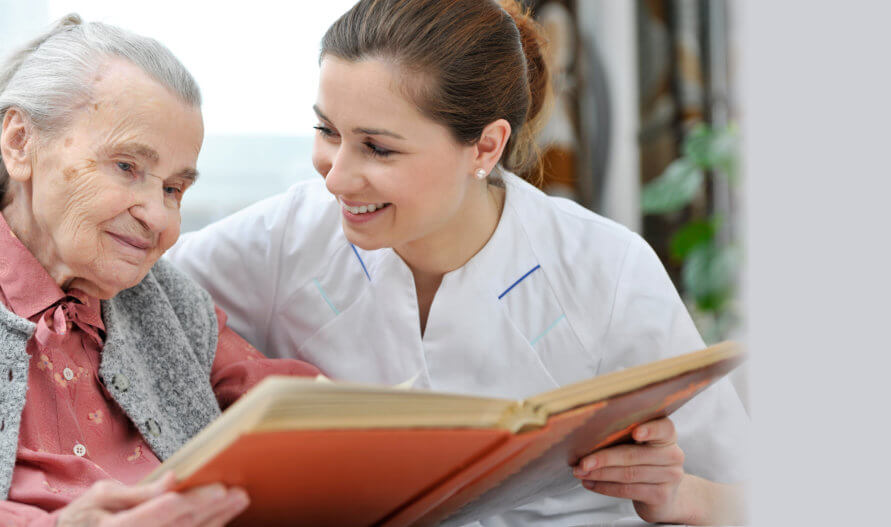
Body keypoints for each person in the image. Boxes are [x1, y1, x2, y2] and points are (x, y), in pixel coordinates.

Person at [168, 0, 748, 524]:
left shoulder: (605, 269)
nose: (336, 176)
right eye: (326, 130)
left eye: (378, 147)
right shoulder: (285, 239)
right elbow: (133, 288)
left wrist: (677, 496)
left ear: (486, 147)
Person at [0, 15, 320, 527]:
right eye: (127, 166)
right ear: (20, 142)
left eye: (174, 189)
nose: (159, 216)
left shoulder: (166, 301)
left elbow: (295, 405)